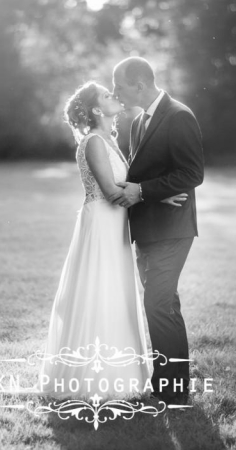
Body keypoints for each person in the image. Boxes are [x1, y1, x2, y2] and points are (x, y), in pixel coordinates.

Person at [37, 81, 188, 401]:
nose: (114, 96)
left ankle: (121, 374)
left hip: (117, 227)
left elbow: (129, 186)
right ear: (95, 110)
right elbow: (111, 193)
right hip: (102, 225)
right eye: (106, 95)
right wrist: (158, 197)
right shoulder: (93, 141)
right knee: (100, 293)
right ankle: (92, 378)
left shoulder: (112, 139)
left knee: (116, 294)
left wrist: (154, 191)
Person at [108, 57, 204, 405]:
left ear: (139, 84)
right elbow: (141, 177)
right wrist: (145, 190)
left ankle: (174, 394)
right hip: (147, 228)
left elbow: (192, 174)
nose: (115, 91)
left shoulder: (179, 116)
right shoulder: (137, 123)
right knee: (163, 305)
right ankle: (167, 386)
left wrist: (147, 191)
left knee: (158, 304)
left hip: (173, 230)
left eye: (119, 85)